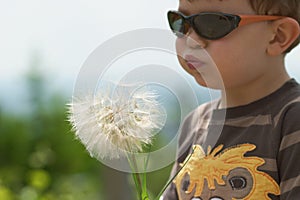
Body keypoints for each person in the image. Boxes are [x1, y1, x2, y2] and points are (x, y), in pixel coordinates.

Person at [162, 0, 300, 199]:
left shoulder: (291, 120)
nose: (191, 40)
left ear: (278, 36)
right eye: (181, 22)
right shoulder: (194, 124)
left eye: (213, 23)